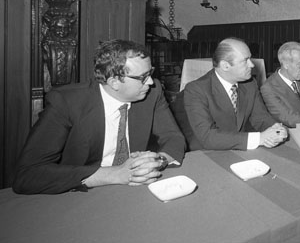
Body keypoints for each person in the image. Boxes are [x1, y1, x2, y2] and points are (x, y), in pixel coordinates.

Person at [13, 39, 186, 195]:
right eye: (143, 77)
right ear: (114, 82)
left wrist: (158, 160)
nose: (150, 82)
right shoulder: (66, 103)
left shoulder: (152, 92)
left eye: (150, 73)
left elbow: (173, 137)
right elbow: (28, 175)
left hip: (132, 191)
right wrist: (114, 175)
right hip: (79, 194)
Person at [183, 38, 287, 150]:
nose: (252, 65)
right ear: (225, 66)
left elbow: (260, 117)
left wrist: (276, 129)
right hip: (207, 152)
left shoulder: (250, 84)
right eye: (245, 60)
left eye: (250, 58)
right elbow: (208, 137)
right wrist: (260, 138)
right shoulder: (196, 90)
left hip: (240, 149)